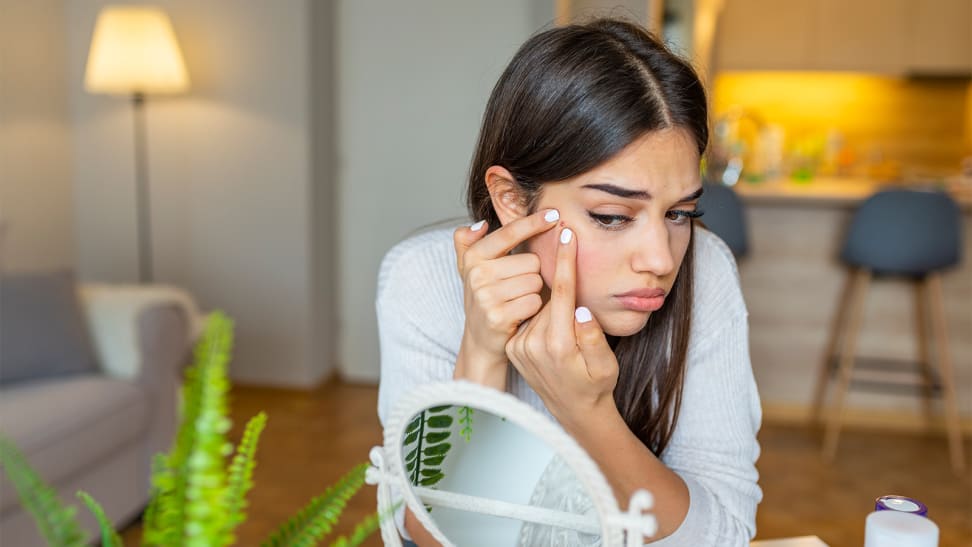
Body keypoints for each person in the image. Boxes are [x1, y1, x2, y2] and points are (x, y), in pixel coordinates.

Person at [376, 17, 762, 546]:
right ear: (512, 200)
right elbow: (431, 537)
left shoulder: (708, 268)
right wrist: (481, 356)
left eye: (681, 214)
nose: (660, 259)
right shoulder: (422, 278)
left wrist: (588, 412)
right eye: (611, 216)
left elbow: (721, 537)